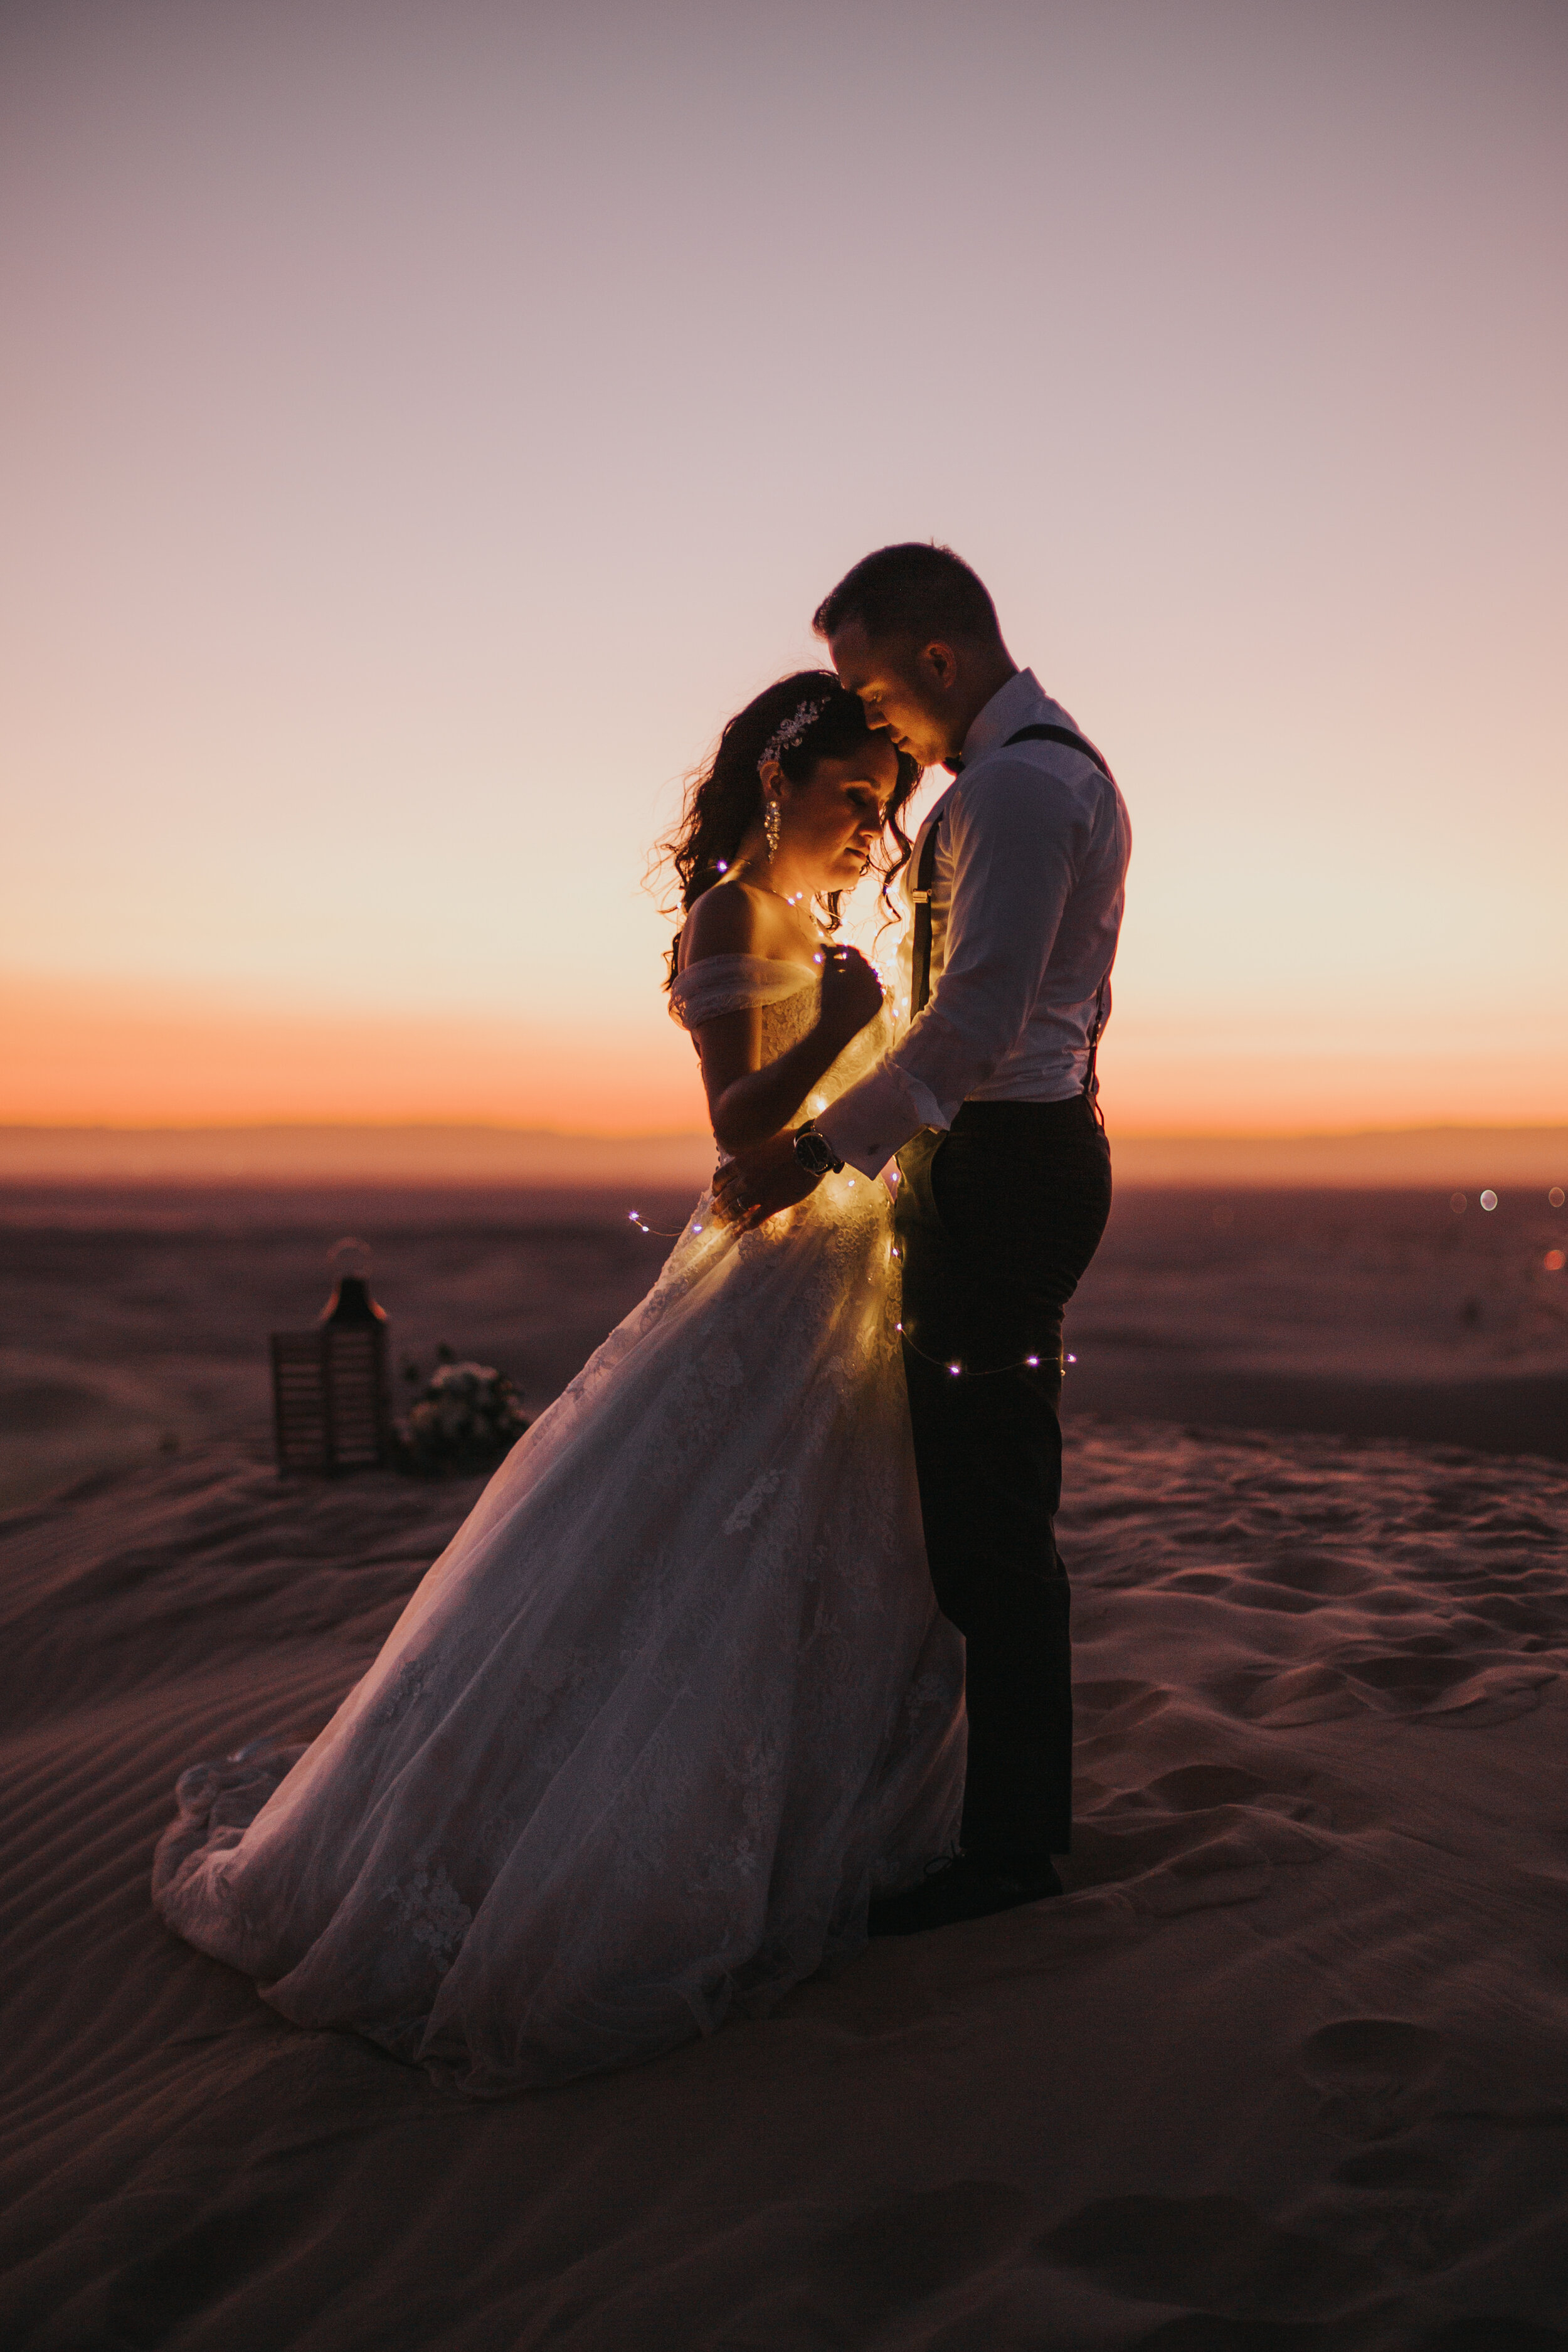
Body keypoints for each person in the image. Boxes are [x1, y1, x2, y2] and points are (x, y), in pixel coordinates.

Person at [152, 672, 965, 2095]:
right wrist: (843, 1034)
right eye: (852, 799)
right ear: (781, 780)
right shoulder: (733, 916)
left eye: (884, 811)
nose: (869, 834)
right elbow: (734, 1143)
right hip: (767, 1288)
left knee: (798, 1574)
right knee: (685, 1575)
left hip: (841, 1291)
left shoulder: (814, 927)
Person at [716, 546, 1132, 1936]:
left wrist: (816, 1151)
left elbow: (977, 1027)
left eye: (870, 684)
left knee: (990, 1521)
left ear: (936, 661)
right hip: (1011, 1156)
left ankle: (1011, 1853)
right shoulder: (1033, 776)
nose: (868, 716)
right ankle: (990, 1823)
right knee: (971, 1503)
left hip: (1006, 1170)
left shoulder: (1014, 790)